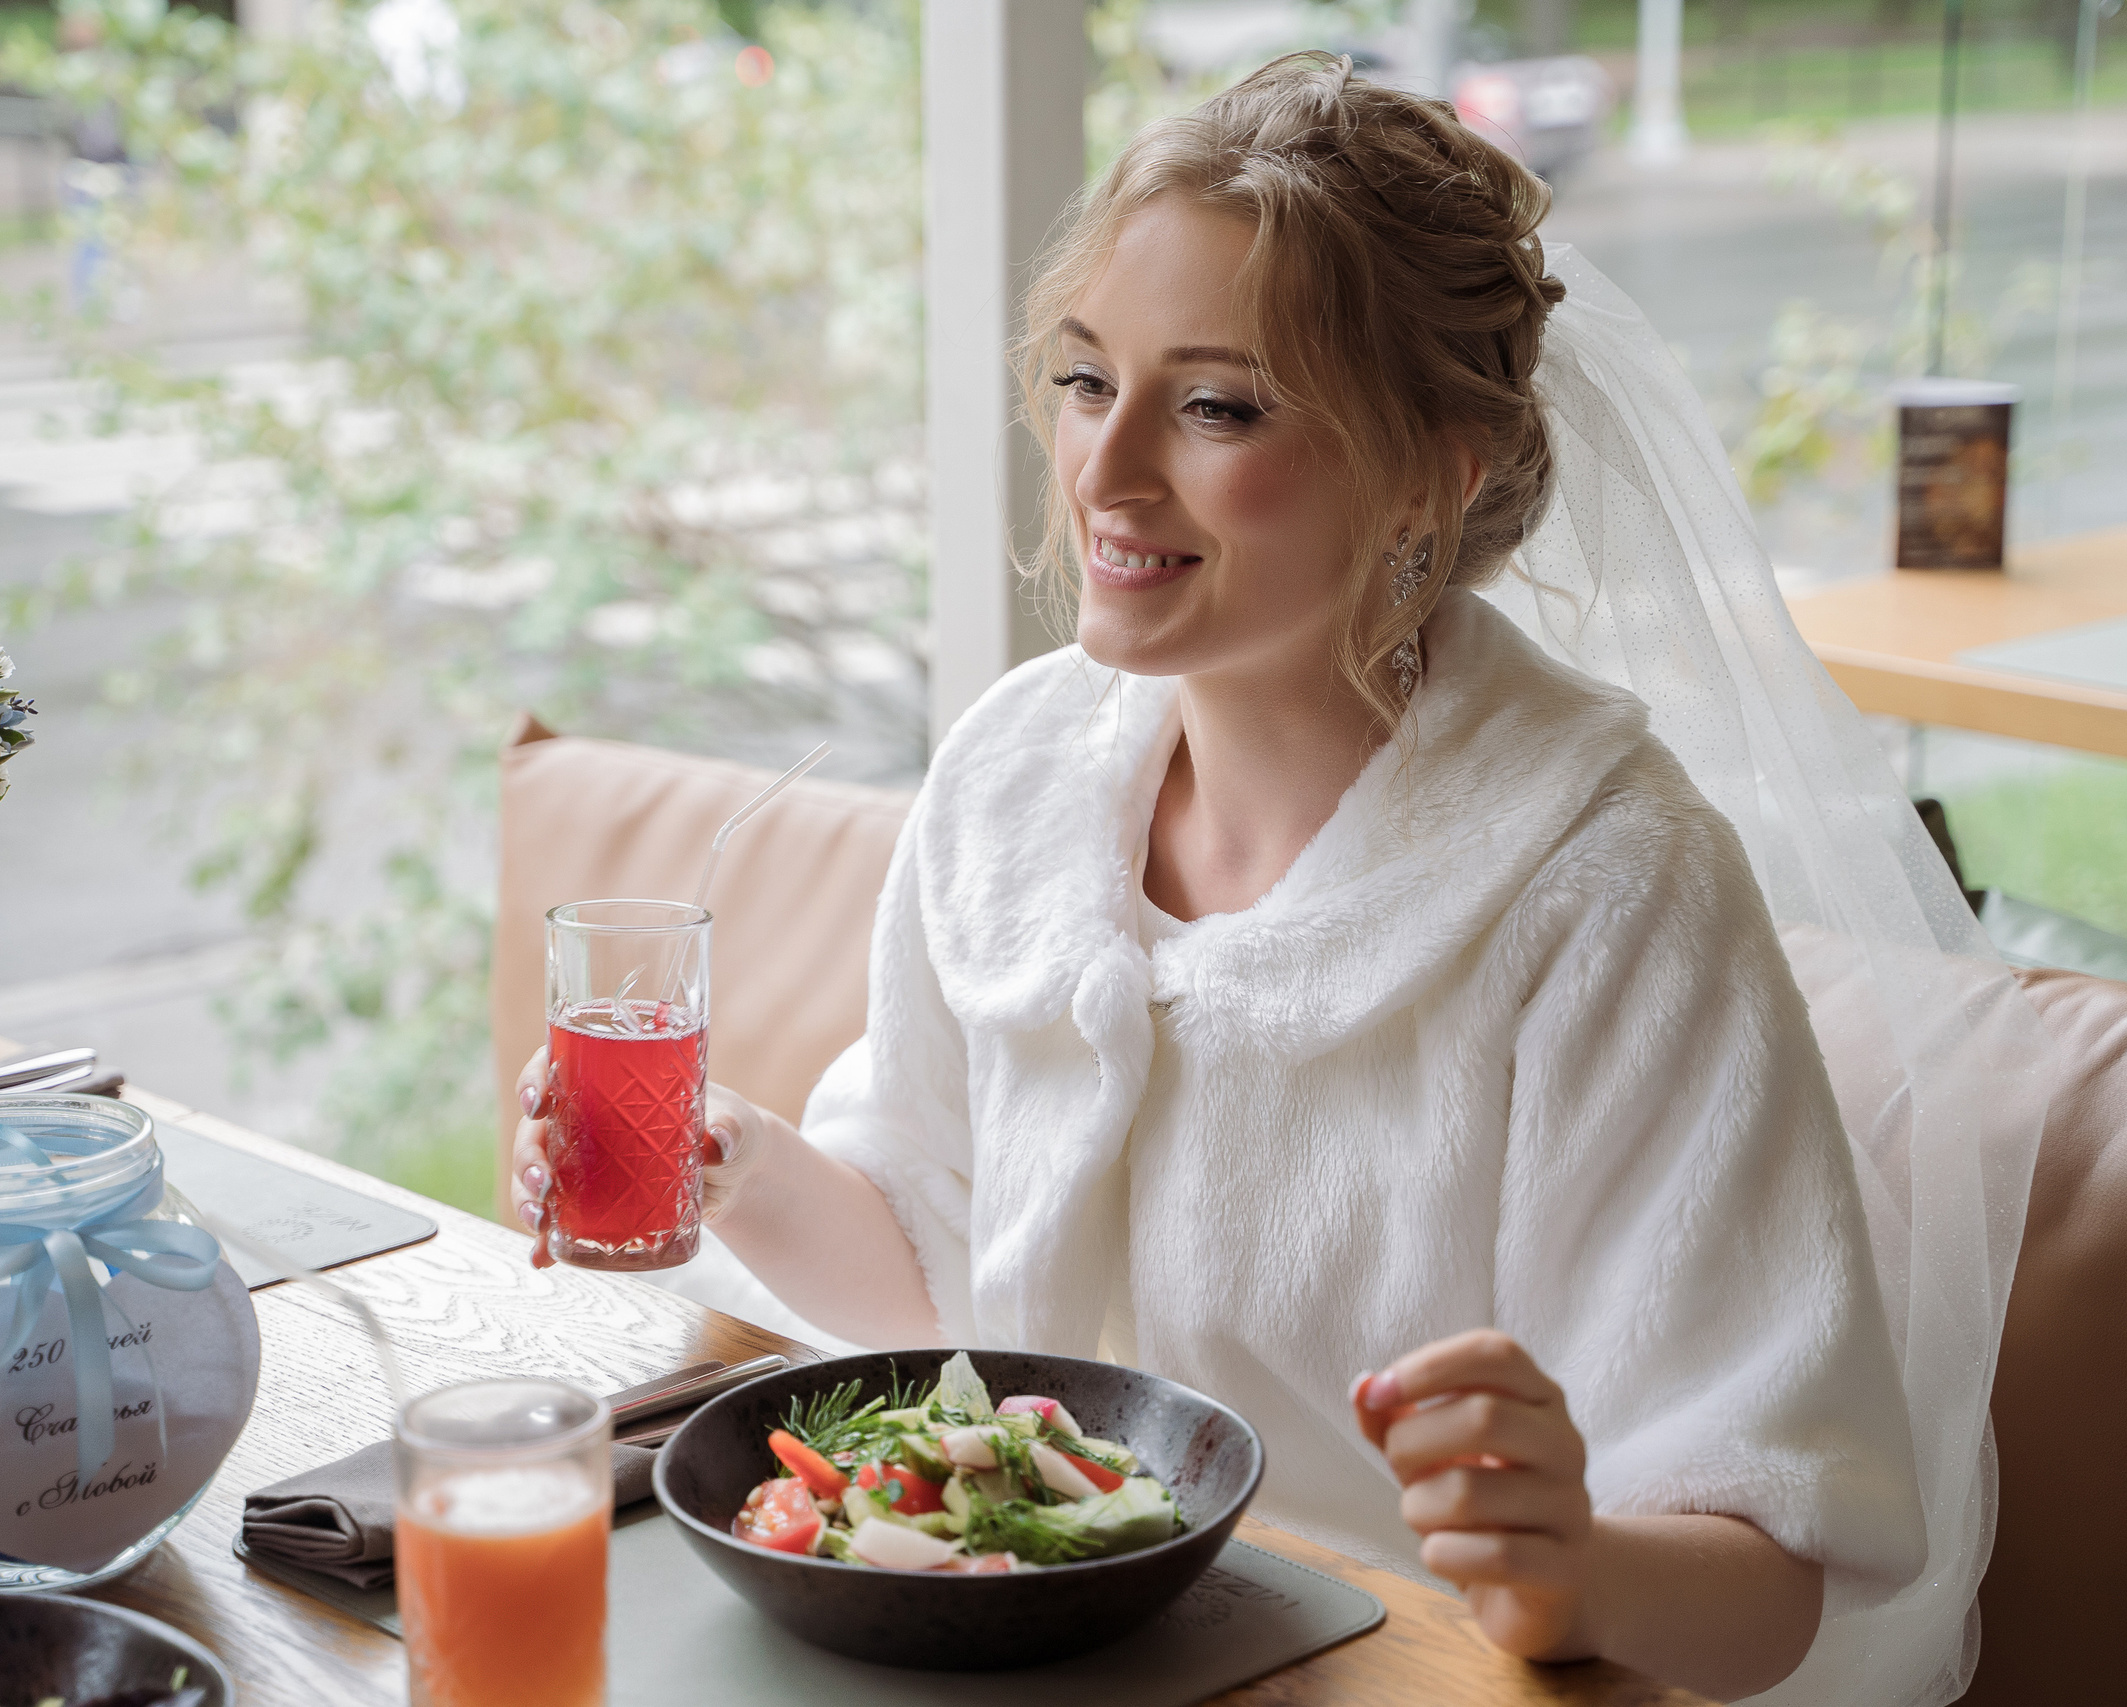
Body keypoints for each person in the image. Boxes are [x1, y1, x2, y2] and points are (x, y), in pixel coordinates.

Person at [509, 56, 2044, 1706]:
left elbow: (1768, 1581)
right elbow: (945, 1304)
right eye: (1089, 380)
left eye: (1220, 405)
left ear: (1435, 470)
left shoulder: (1605, 886)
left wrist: (1570, 1564)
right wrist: (732, 1163)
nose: (1105, 474)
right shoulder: (1015, 776)